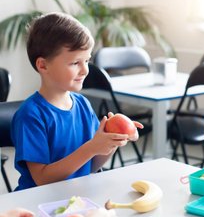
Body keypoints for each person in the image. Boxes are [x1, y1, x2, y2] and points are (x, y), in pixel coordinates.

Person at [11, 12, 143, 191]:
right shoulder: (31, 115)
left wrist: (110, 142)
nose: (85, 70)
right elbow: (42, 179)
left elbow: (91, 166)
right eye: (75, 63)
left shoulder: (82, 104)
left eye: (87, 60)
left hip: (75, 197)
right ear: (43, 65)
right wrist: (91, 148)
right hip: (37, 204)